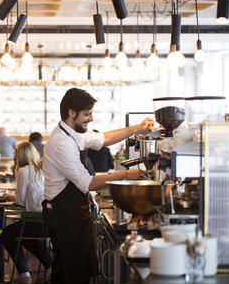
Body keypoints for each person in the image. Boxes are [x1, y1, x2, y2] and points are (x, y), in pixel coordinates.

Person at [42, 88, 154, 284]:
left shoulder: (74, 133)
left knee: (68, 271)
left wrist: (138, 127)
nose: (91, 119)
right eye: (87, 114)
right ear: (71, 113)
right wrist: (127, 174)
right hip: (64, 216)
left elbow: (104, 139)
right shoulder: (61, 142)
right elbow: (88, 183)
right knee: (73, 275)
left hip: (72, 213)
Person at [0, 142, 52, 284]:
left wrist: (10, 197)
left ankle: (24, 273)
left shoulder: (24, 171)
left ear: (19, 156)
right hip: (50, 222)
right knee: (24, 237)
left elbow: (21, 202)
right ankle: (50, 267)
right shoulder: (43, 169)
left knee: (6, 234)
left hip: (35, 220)